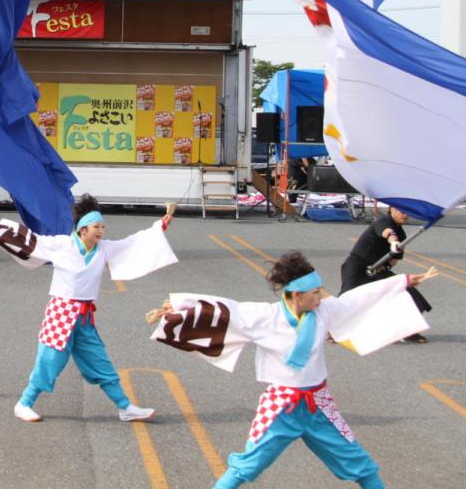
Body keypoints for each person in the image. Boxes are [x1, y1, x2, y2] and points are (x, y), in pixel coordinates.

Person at [150, 250, 437, 489]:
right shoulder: (266, 316)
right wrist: (177, 308)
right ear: (296, 295)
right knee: (245, 467)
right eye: (315, 293)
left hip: (318, 405)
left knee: (361, 464)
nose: (320, 297)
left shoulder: (324, 312)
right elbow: (225, 310)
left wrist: (405, 281)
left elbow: (357, 299)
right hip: (281, 406)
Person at [0, 194, 177, 424]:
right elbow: (31, 240)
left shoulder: (104, 249)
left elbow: (133, 243)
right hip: (61, 313)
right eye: (97, 226)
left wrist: (163, 222)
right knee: (49, 361)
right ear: (83, 229)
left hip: (84, 318)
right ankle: (24, 403)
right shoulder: (62, 245)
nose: (101, 231)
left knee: (100, 362)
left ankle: (125, 407)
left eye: (103, 226)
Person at [340, 206, 431, 343]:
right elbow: (387, 232)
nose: (405, 215)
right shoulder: (383, 221)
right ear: (392, 210)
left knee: (411, 295)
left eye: (408, 212)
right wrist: (393, 242)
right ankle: (334, 332)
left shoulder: (402, 235)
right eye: (402, 211)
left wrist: (385, 266)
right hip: (357, 266)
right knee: (347, 300)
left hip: (378, 270)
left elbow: (394, 260)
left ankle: (408, 331)